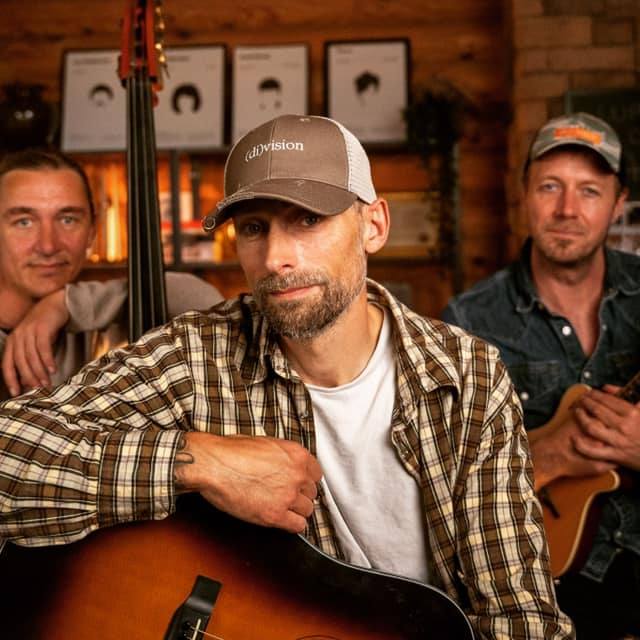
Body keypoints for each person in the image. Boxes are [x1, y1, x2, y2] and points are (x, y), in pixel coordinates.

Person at [0, 115, 573, 639]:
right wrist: (200, 462)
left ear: (373, 225)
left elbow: (517, 612)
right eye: (255, 227)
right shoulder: (196, 356)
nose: (276, 257)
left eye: (308, 219)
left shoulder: (467, 375)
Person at [442, 112, 640, 640]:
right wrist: (551, 454)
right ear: (523, 195)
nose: (567, 209)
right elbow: (440, 489)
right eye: (550, 186)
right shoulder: (468, 321)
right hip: (540, 591)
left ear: (618, 203)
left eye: (589, 191)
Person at [0, 148, 223, 399]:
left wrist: (66, 303)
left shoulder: (97, 325)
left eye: (68, 220)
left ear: (92, 231)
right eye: (24, 222)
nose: (48, 245)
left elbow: (206, 306)